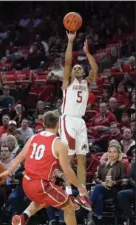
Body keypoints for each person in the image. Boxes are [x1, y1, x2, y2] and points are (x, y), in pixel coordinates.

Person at [0, 111, 91, 225]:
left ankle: (22, 219)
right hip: (40, 184)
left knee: (43, 200)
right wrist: (80, 187)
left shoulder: (33, 138)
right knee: (69, 206)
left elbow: (20, 157)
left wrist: (9, 170)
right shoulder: (60, 144)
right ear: (58, 124)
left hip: (26, 183)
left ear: (43, 123)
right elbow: (67, 170)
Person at [59, 31, 98, 209]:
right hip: (68, 120)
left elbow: (95, 70)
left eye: (78, 68)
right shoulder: (67, 83)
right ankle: (67, 193)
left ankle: (82, 194)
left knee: (82, 159)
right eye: (74, 68)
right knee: (69, 158)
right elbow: (67, 62)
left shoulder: (87, 83)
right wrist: (70, 42)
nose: (75, 69)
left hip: (80, 122)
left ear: (82, 72)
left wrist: (88, 53)